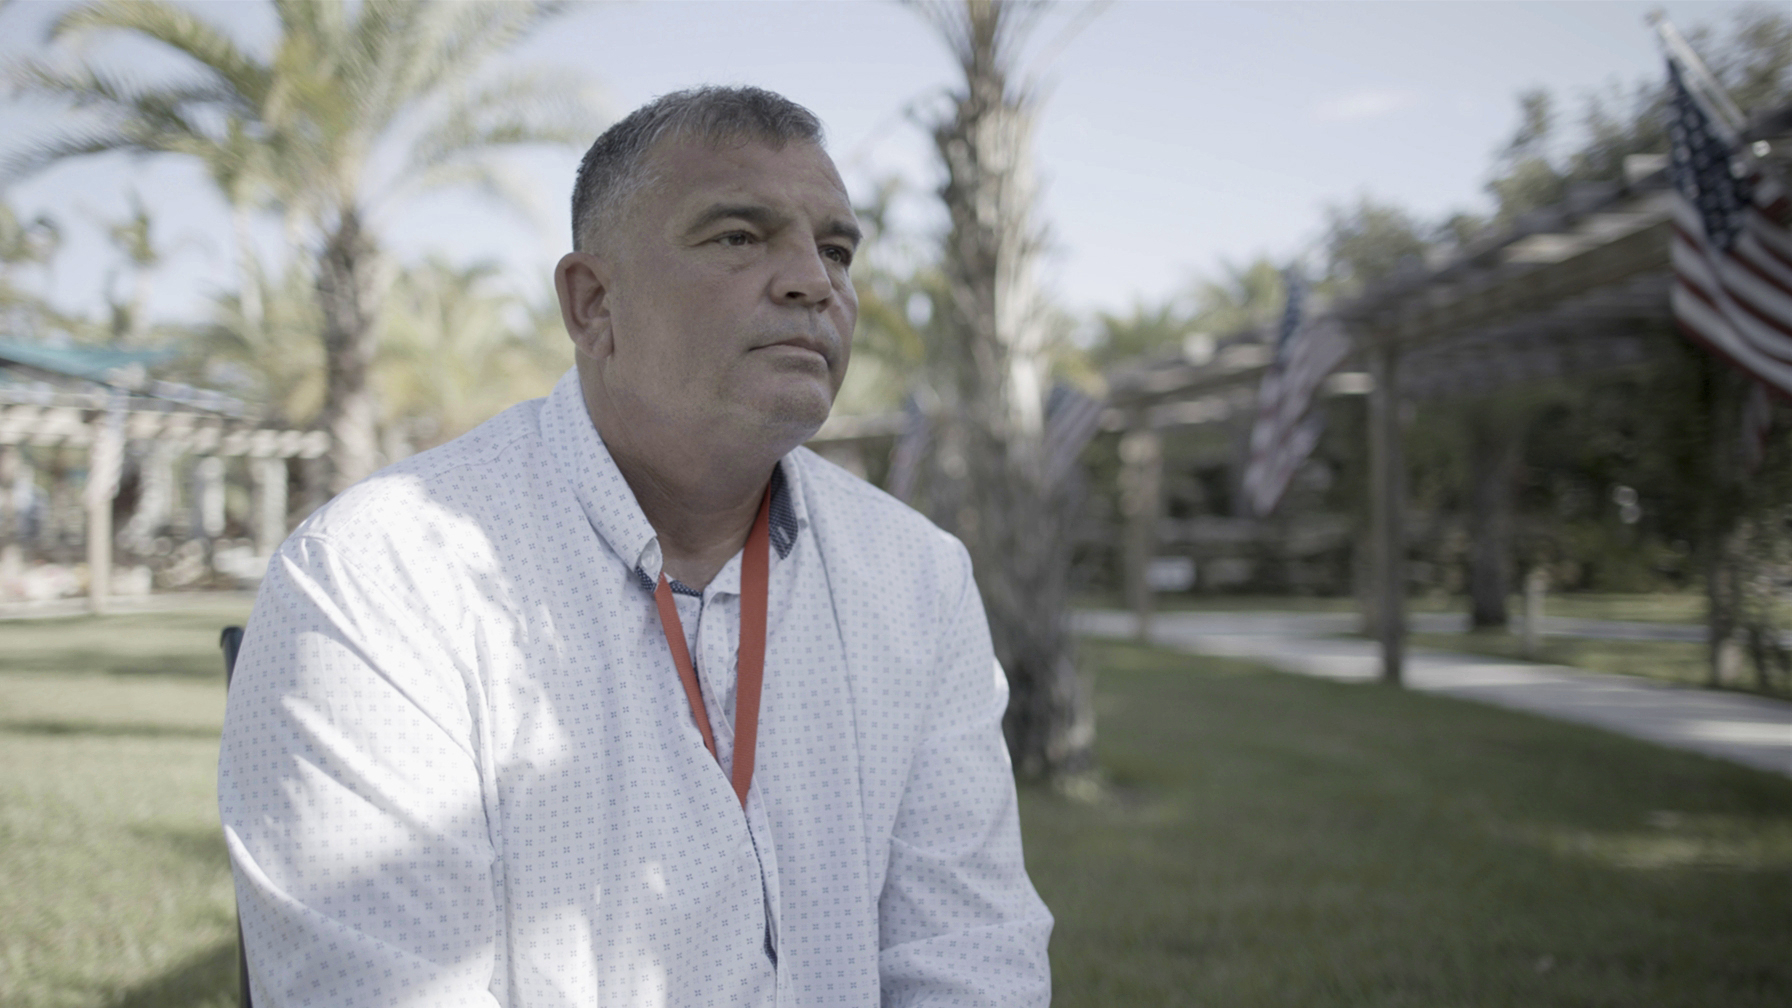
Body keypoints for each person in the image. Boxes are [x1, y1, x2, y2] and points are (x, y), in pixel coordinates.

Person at [218, 85, 1053, 1007]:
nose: (813, 281)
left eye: (837, 249)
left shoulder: (918, 578)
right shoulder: (384, 574)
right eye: (739, 236)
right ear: (592, 303)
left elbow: (973, 961)